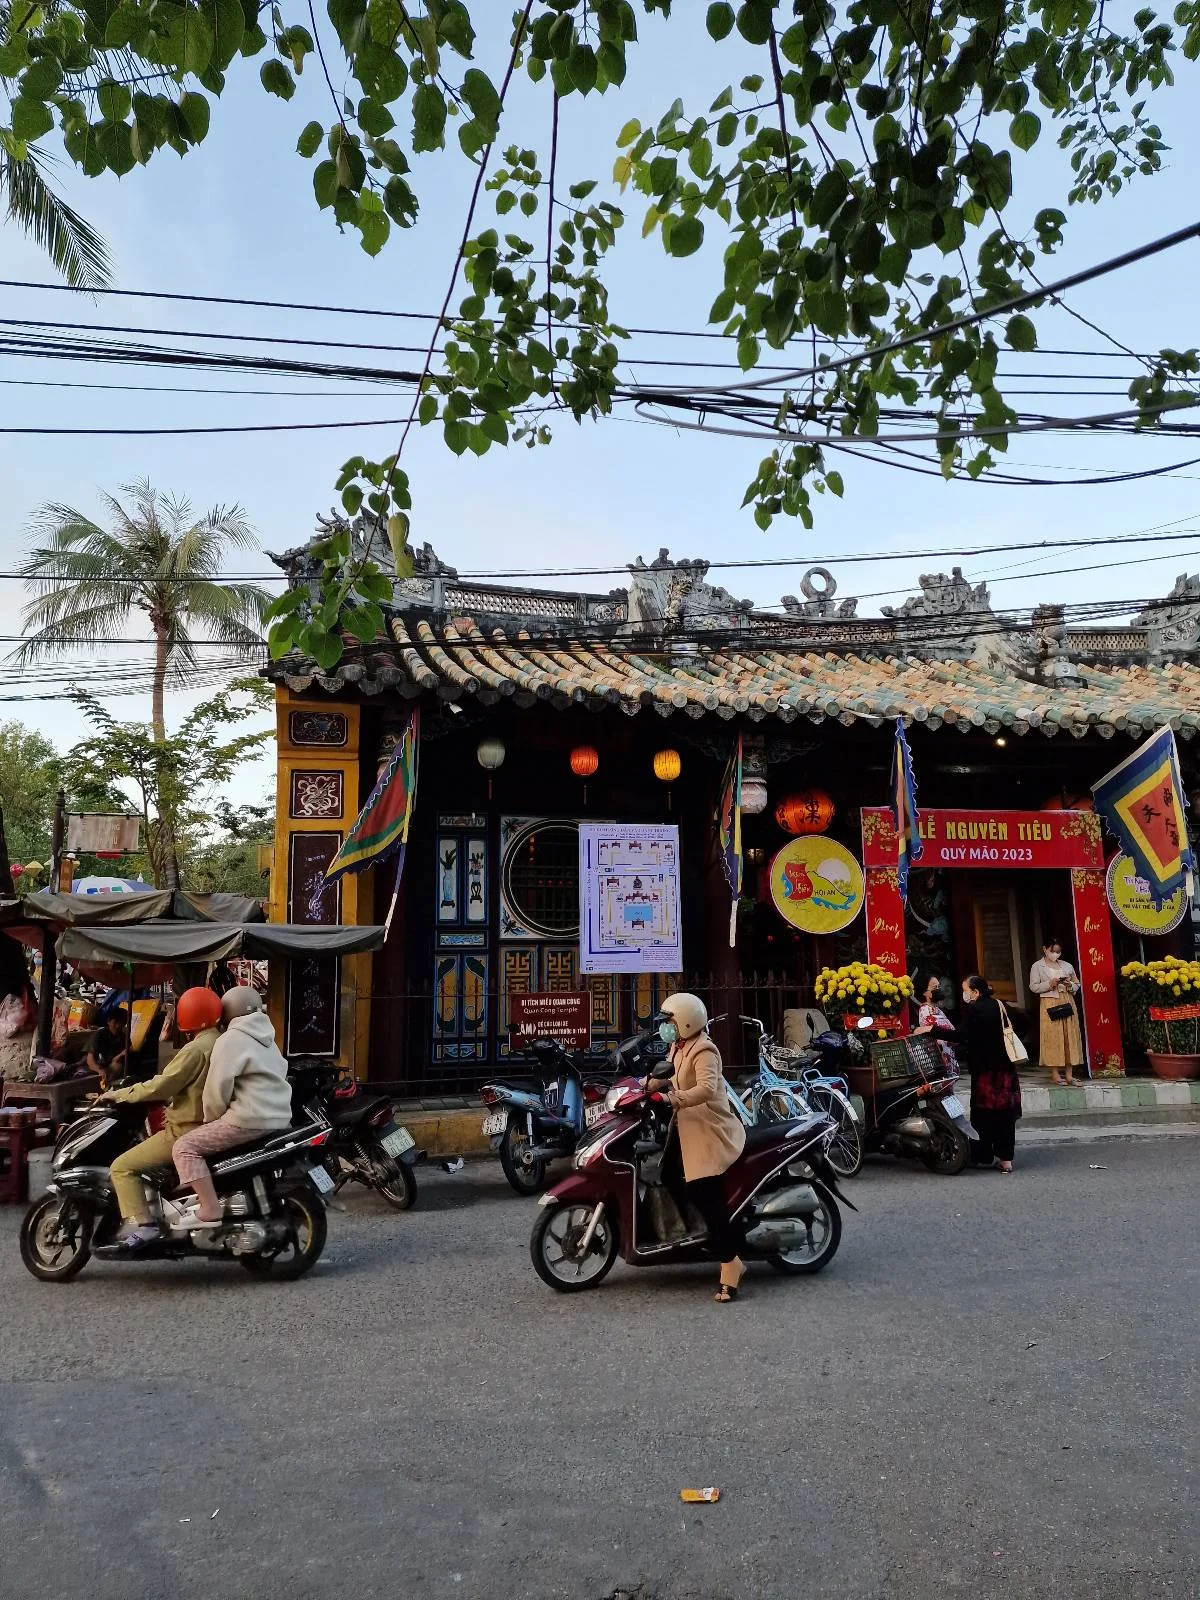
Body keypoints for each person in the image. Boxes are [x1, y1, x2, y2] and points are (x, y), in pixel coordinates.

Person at [98, 987, 222, 1249]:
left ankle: (146, 1226)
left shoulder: (194, 1050)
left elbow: (161, 1086)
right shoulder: (220, 1042)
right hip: (211, 1124)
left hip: (185, 1129)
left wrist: (121, 1095)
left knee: (122, 1166)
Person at [171, 985, 292, 1225]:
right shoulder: (268, 1037)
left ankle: (210, 1208)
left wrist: (209, 1119)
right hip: (280, 1117)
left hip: (247, 1120)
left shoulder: (230, 1039)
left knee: (184, 1147)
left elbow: (218, 1088)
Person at [656, 992, 748, 1303]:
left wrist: (673, 1098)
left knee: (703, 1192)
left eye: (669, 1022)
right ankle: (697, 1231)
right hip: (686, 1126)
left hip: (710, 1131)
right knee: (667, 1174)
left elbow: (707, 1088)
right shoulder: (679, 1046)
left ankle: (730, 1262)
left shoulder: (704, 1049)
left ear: (685, 1022)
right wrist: (638, 1087)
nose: (665, 1027)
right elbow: (665, 1076)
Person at [919, 976, 1022, 1172]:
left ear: (975, 992)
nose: (964, 994)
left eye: (966, 990)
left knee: (983, 1115)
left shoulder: (974, 1010)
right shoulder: (1000, 1005)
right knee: (1006, 1116)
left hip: (985, 1070)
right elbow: (1020, 1023)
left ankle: (983, 1156)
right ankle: (1006, 1159)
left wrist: (931, 1031)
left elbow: (962, 1035)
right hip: (1006, 1069)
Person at [1029, 938, 1084, 1086]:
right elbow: (1033, 987)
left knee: (1069, 1036)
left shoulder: (1067, 965)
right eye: (1052, 951)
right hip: (1049, 1002)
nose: (1055, 954)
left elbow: (1077, 984)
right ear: (1045, 949)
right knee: (1053, 1037)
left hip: (1066, 1000)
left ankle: (1069, 1075)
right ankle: (1055, 1074)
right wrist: (1050, 983)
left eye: (1058, 952)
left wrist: (1069, 984)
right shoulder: (1037, 966)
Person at [913, 970, 959, 1076]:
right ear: (925, 992)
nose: (939, 989)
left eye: (939, 986)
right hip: (939, 1060)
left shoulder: (938, 1010)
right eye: (935, 987)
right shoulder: (925, 1010)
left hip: (948, 1056)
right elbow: (938, 1034)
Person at [87, 1009, 129, 1085]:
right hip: (96, 1066)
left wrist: (121, 1054)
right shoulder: (99, 1035)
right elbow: (90, 1060)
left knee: (118, 1066)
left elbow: (115, 1060)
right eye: (115, 1022)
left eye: (122, 1023)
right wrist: (100, 1070)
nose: (118, 1026)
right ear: (108, 1021)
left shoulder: (124, 1037)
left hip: (111, 1066)